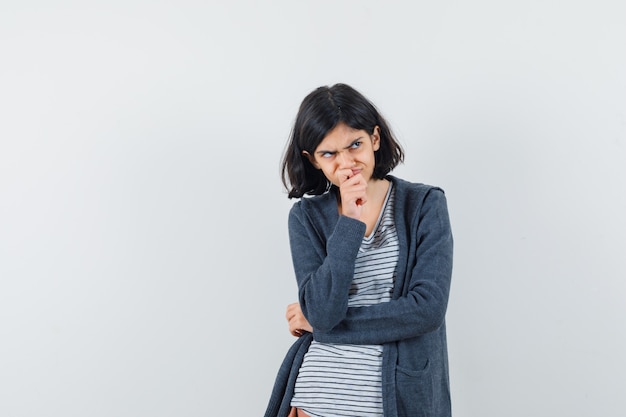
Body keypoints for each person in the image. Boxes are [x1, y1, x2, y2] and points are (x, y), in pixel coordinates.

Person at [264, 83, 454, 417]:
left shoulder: (424, 205)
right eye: (329, 153)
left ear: (375, 139)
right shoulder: (306, 217)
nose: (347, 162)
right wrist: (349, 223)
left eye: (355, 144)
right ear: (313, 160)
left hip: (397, 403)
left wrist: (323, 326)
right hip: (316, 400)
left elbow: (427, 310)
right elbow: (322, 311)